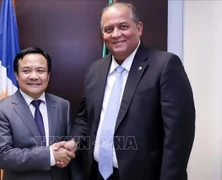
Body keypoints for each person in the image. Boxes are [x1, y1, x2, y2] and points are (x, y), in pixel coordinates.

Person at [55, 2, 195, 180]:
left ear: (139, 28)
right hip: (97, 173)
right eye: (108, 29)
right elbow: (84, 118)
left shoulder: (165, 65)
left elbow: (179, 135)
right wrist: (74, 142)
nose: (116, 34)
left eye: (123, 26)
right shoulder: (95, 70)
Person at [0, 47, 83, 180]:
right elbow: (1, 155)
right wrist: (50, 155)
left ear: (48, 75)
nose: (34, 76)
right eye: (26, 71)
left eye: (40, 71)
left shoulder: (62, 105)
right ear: (16, 75)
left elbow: (68, 147)